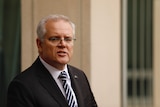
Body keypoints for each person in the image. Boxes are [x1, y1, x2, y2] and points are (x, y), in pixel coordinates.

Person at [7, 14, 97, 107]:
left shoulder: (80, 76)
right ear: (40, 44)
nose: (63, 44)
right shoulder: (22, 86)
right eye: (54, 39)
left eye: (68, 39)